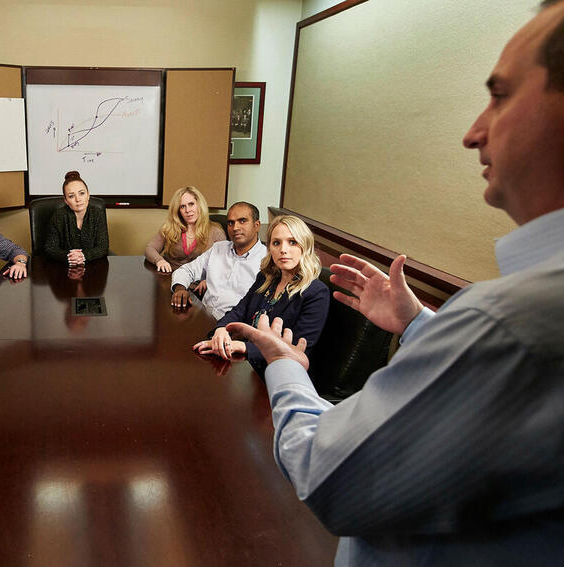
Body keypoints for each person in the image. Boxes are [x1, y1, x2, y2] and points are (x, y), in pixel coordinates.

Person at [226, 2, 564, 563]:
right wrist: (419, 325)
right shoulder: (512, 327)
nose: (473, 132)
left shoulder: (511, 325)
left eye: (500, 96)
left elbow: (323, 472)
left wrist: (283, 362)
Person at [196, 215, 329, 376]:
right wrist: (222, 329)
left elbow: (297, 351)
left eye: (292, 242)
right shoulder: (266, 278)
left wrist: (242, 347)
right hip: (247, 366)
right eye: (276, 243)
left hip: (279, 374)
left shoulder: (316, 292)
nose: (283, 250)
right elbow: (240, 310)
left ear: (305, 246)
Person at [170, 202, 265, 319]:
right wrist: (180, 288)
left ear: (256, 225)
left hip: (233, 328)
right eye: (231, 223)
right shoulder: (218, 248)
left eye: (242, 221)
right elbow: (187, 270)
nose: (235, 228)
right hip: (202, 318)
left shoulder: (267, 261)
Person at [144, 186, 226, 273]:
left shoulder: (216, 232)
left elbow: (223, 263)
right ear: (178, 210)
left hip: (199, 282)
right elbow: (150, 248)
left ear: (199, 205)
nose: (188, 210)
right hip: (170, 277)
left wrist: (209, 279)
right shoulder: (169, 228)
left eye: (191, 204)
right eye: (182, 206)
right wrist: (159, 260)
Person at [43, 170, 109, 265]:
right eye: (71, 196)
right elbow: (50, 248)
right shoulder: (59, 216)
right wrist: (68, 256)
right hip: (63, 268)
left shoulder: (97, 214)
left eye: (81, 193)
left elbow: (103, 247)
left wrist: (84, 255)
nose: (78, 199)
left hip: (93, 267)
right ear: (66, 200)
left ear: (88, 195)